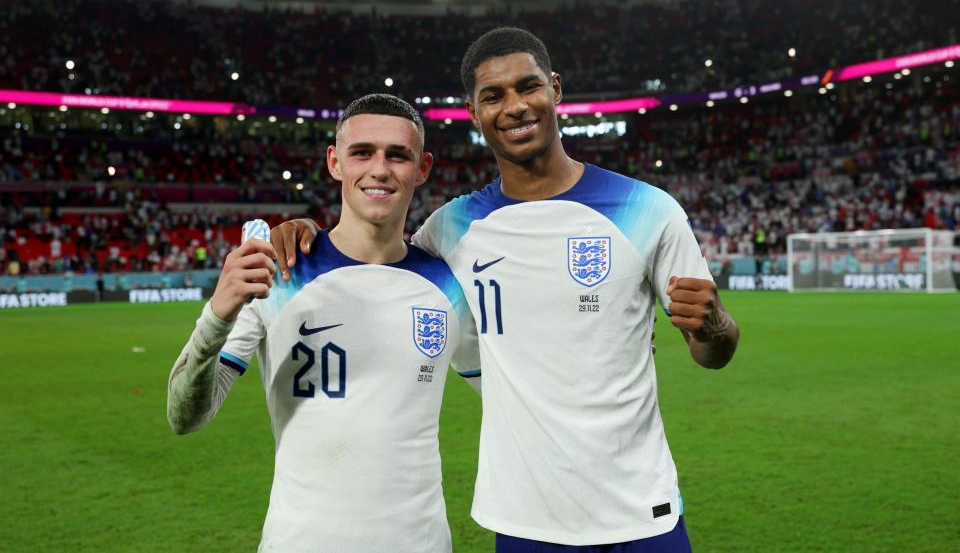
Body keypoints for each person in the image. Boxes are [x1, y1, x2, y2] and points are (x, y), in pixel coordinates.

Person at [273, 28, 740, 551]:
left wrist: (714, 321)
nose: (515, 106)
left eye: (528, 87)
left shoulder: (649, 210)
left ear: (555, 90)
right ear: (474, 113)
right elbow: (373, 253)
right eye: (493, 96)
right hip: (523, 521)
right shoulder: (451, 231)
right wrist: (304, 232)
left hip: (641, 512)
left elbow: (712, 353)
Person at [166, 94, 480, 552]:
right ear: (335, 162)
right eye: (362, 152)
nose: (379, 169)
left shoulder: (449, 285)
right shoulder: (277, 272)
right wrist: (217, 316)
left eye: (398, 155)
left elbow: (510, 397)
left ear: (423, 167)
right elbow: (184, 417)